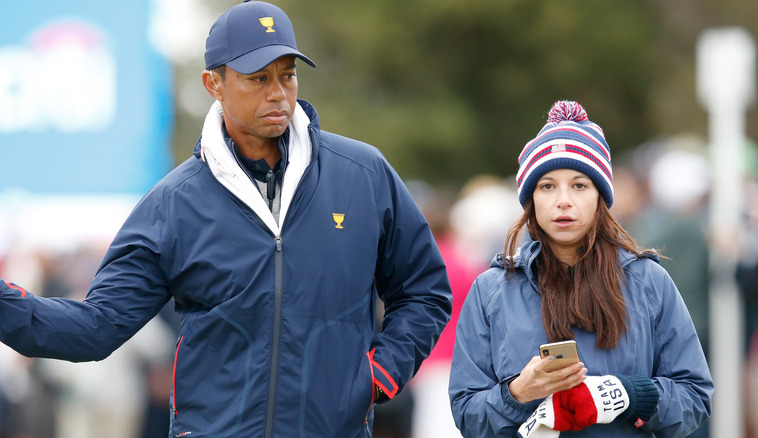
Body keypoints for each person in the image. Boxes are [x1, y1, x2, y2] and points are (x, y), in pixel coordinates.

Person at [0, 1, 452, 437]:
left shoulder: (363, 174)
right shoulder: (173, 205)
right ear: (213, 83)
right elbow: (94, 329)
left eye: (287, 75)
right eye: (257, 78)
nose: (278, 93)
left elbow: (424, 291)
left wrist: (378, 376)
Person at [448, 100, 712, 437]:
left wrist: (628, 395)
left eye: (579, 185)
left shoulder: (648, 281)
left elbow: (695, 398)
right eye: (547, 186)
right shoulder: (491, 289)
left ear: (600, 197)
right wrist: (516, 394)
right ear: (531, 199)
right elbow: (467, 415)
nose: (563, 200)